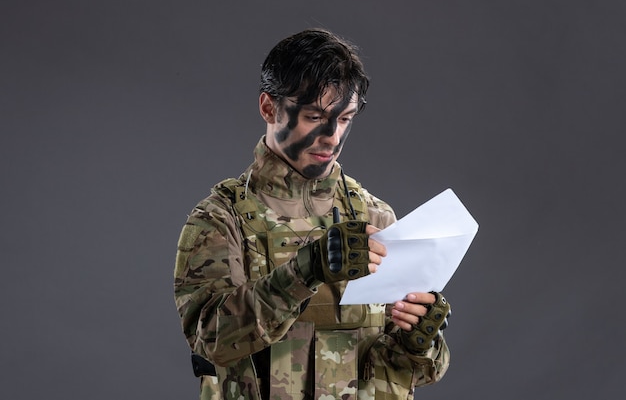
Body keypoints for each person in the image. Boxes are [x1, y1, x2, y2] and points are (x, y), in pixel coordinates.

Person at [174, 28, 451, 400]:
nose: (332, 136)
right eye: (314, 116)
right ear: (269, 107)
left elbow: (405, 370)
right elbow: (211, 339)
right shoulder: (221, 220)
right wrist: (305, 271)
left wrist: (421, 339)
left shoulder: (375, 218)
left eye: (345, 118)